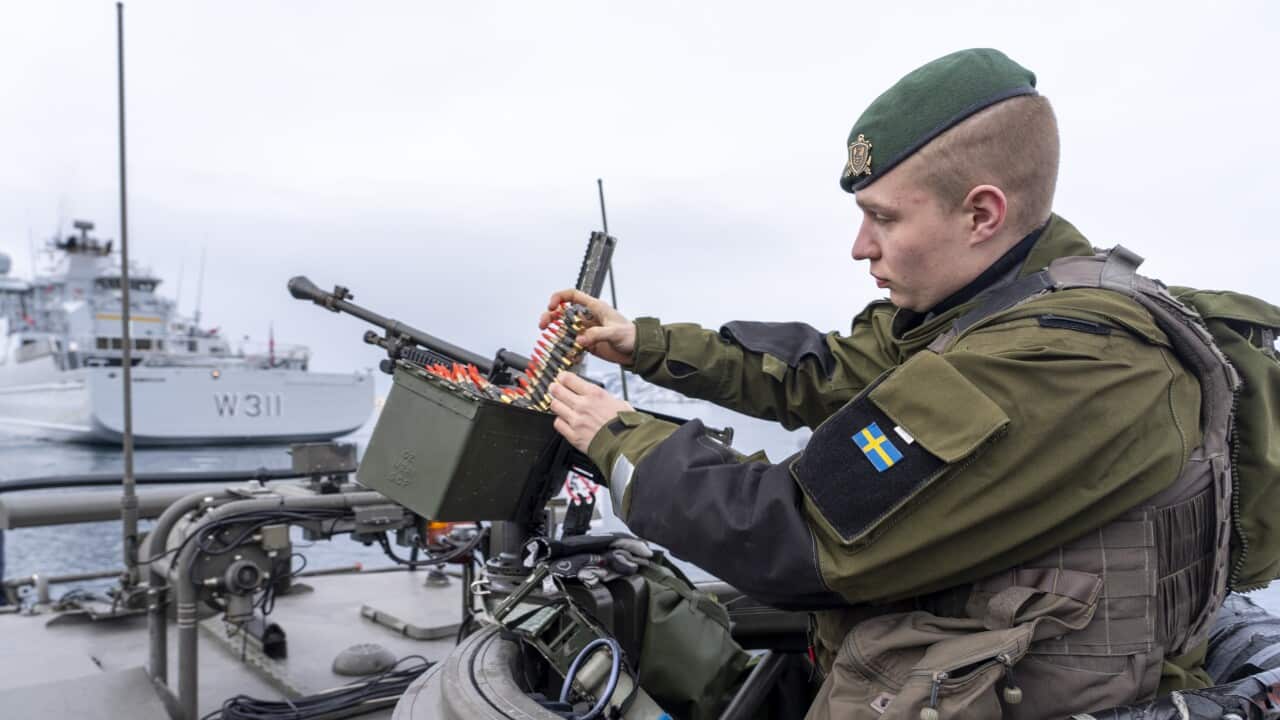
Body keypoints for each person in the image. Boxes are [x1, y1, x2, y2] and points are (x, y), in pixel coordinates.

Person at [543, 48, 1227, 718]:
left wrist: (617, 434)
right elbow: (826, 372)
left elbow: (797, 535)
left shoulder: (1062, 364)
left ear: (982, 214)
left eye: (885, 217)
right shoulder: (973, 309)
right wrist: (647, 344)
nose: (860, 246)